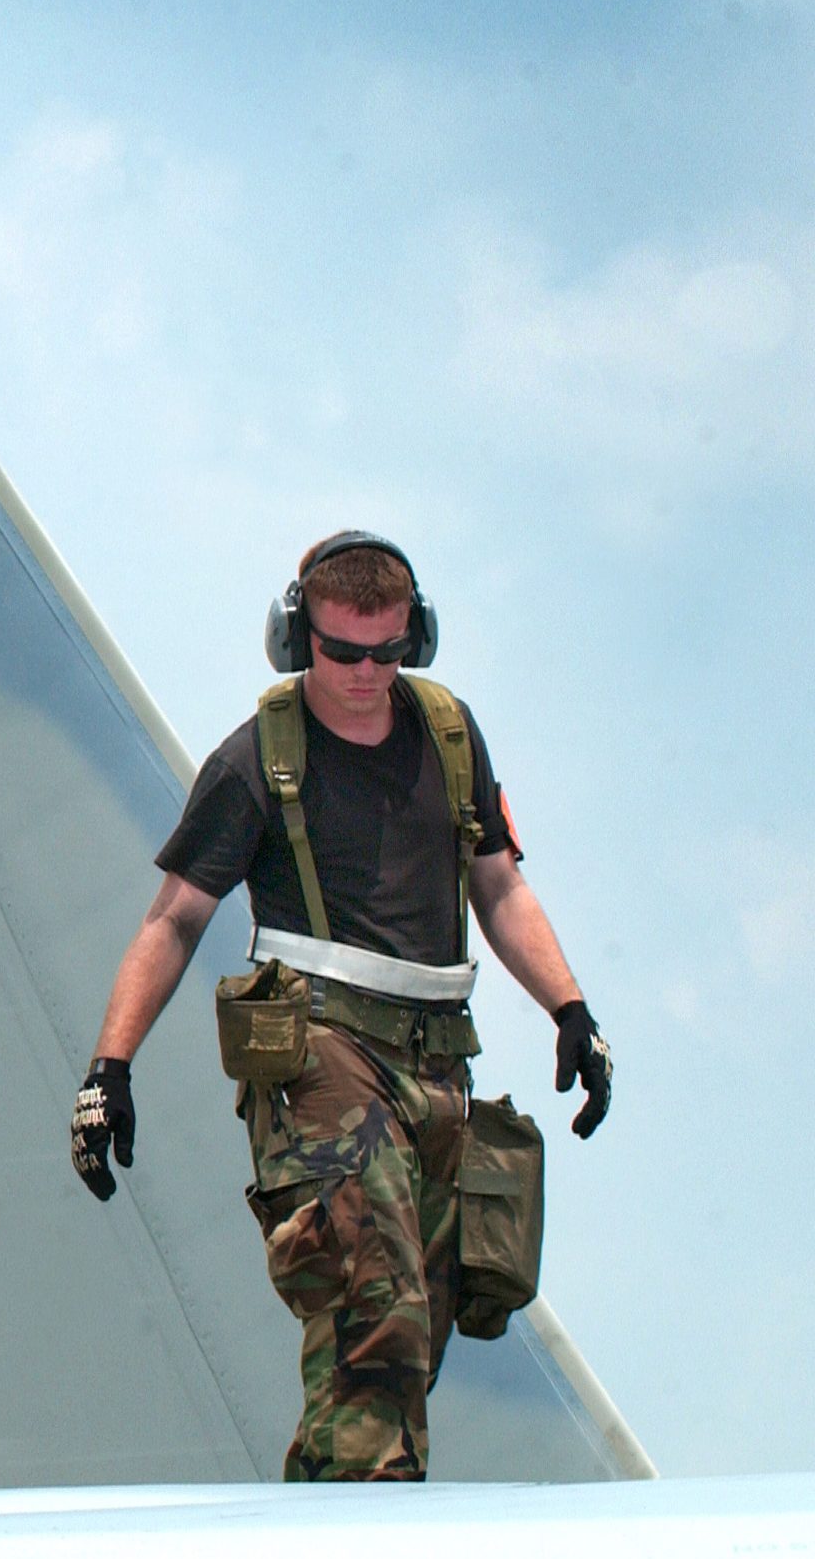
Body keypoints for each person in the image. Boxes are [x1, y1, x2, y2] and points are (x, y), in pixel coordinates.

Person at [65, 530, 613, 1482]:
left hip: (439, 1060)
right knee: (376, 1300)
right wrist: (108, 1069)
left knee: (419, 1331)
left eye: (388, 653)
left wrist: (571, 1010)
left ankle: (326, 1516)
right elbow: (174, 921)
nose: (366, 675)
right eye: (343, 651)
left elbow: (500, 886)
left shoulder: (448, 735)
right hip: (322, 1049)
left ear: (417, 640)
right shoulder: (255, 762)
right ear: (295, 637)